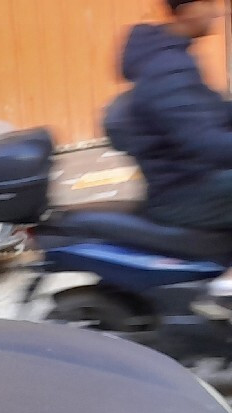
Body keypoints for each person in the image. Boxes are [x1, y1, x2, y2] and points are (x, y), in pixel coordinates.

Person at [117, 0, 232, 315]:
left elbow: (211, 113)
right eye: (211, 4)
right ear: (190, 8)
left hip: (191, 177)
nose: (216, 12)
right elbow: (205, 142)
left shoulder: (174, 57)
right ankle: (226, 291)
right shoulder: (167, 67)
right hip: (183, 189)